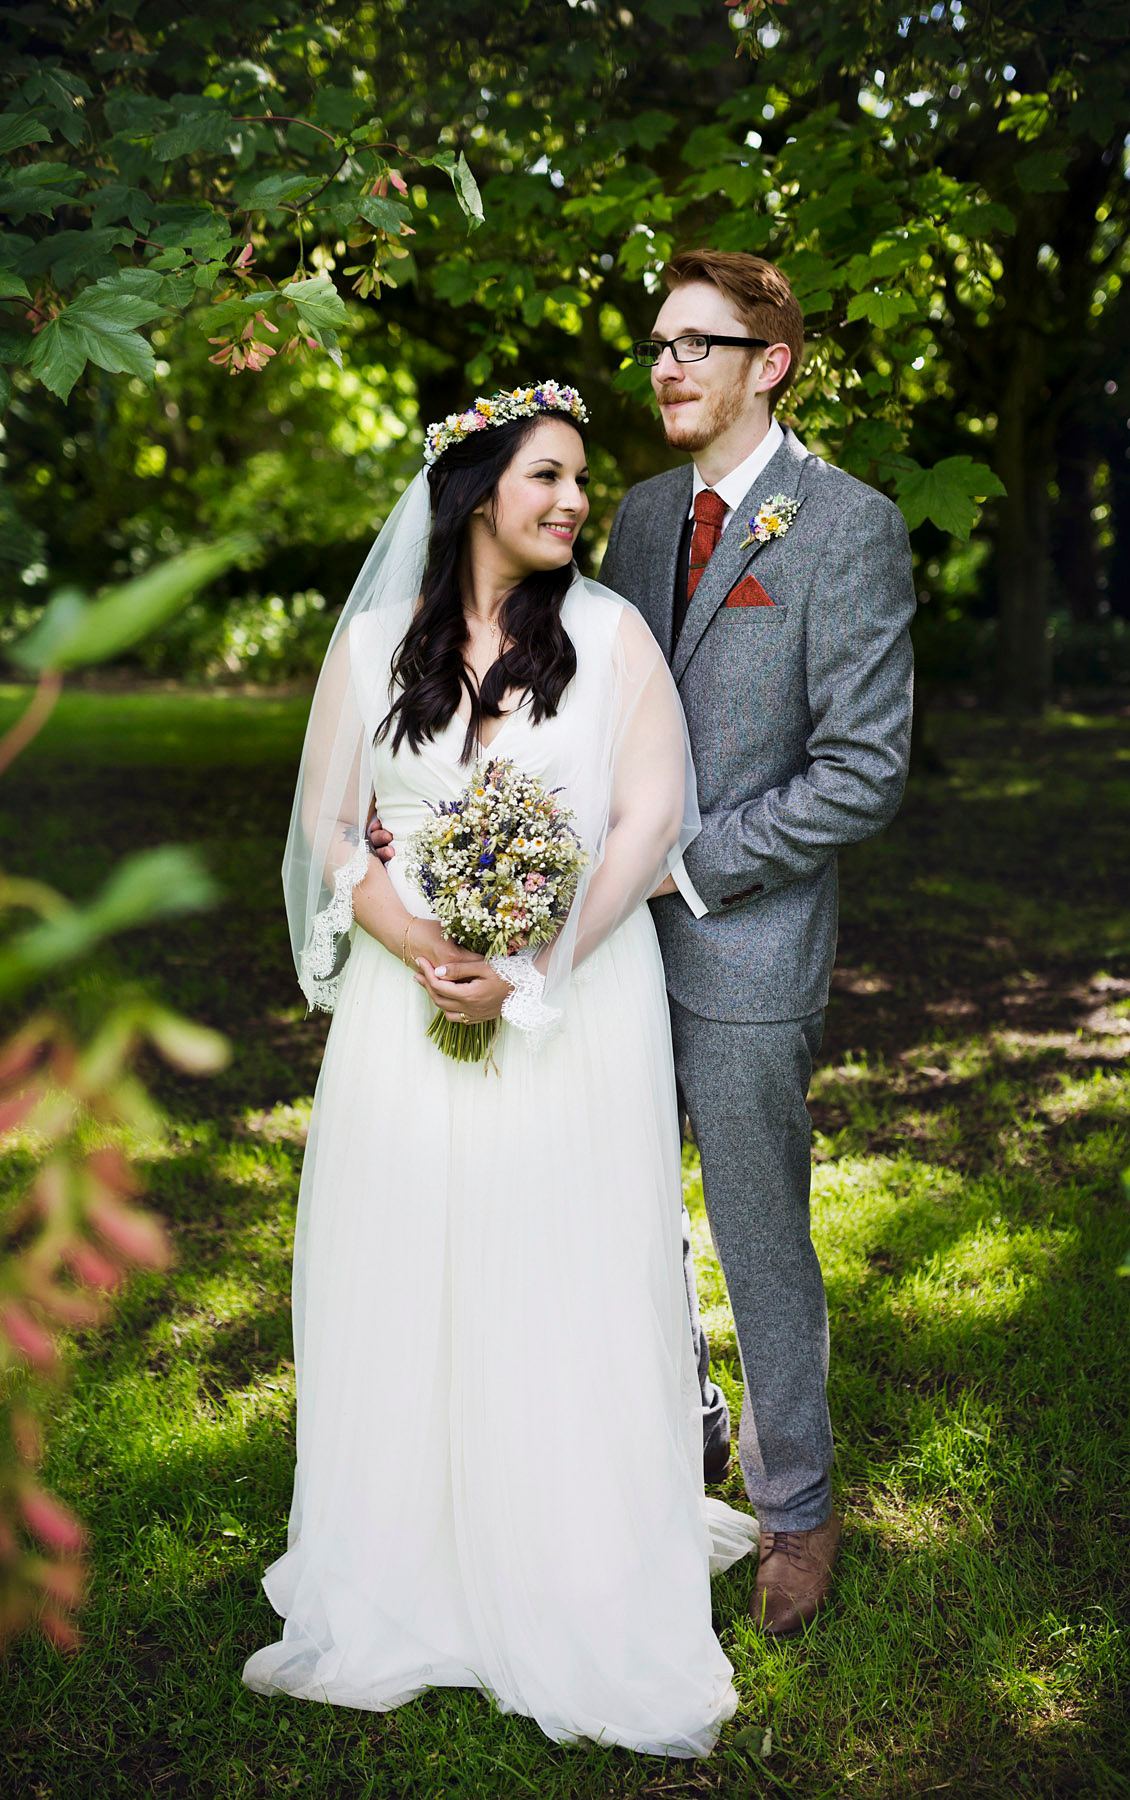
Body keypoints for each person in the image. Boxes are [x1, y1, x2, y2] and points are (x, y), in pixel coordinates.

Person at [243, 382, 757, 1756]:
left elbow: (649, 823)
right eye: (548, 477)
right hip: (403, 1018)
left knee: (560, 1263)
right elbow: (331, 832)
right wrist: (423, 946)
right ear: (478, 491)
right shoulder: (366, 652)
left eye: (583, 480)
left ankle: (569, 1557)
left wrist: (539, 958)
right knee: (405, 1266)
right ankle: (408, 1560)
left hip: (577, 1006)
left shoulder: (612, 637)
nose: (577, 501)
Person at [599, 249, 916, 1636]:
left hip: (745, 947)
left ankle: (800, 1509)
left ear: (769, 362)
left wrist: (682, 869)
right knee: (619, 1214)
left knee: (757, 1232)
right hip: (599, 946)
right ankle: (688, 1434)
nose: (665, 364)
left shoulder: (847, 525)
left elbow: (862, 770)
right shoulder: (631, 515)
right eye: (656, 342)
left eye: (696, 343)